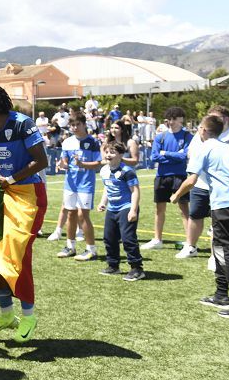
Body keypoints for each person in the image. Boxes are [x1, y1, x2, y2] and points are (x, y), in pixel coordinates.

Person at [0, 85, 48, 343]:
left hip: (29, 195)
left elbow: (41, 161)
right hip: (0, 195)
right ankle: (6, 315)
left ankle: (28, 316)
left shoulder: (22, 124)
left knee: (19, 255)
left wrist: (12, 178)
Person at [172, 115, 229, 318]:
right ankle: (221, 294)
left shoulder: (203, 148)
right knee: (219, 247)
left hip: (224, 205)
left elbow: (191, 180)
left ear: (203, 130)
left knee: (225, 250)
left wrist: (176, 195)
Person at [178, 105, 229, 259]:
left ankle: (216, 254)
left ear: (226, 119)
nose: (213, 120)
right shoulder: (200, 134)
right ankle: (191, 246)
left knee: (218, 220)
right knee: (195, 215)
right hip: (200, 183)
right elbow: (191, 152)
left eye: (217, 117)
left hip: (220, 185)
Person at [141, 107, 193, 252]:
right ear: (169, 120)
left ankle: (190, 242)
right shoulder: (160, 137)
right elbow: (155, 156)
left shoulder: (187, 136)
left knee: (184, 209)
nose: (178, 122)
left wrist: (165, 153)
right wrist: (174, 155)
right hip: (162, 177)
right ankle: (157, 239)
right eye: (175, 119)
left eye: (180, 119)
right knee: (159, 209)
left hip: (180, 177)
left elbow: (184, 156)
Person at [97, 142, 144, 280]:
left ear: (121, 155)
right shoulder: (104, 170)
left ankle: (137, 268)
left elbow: (135, 191)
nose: (108, 155)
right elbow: (107, 187)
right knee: (109, 238)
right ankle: (113, 266)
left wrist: (133, 210)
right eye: (106, 152)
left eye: (112, 152)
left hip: (126, 207)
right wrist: (103, 202)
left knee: (128, 238)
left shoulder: (127, 171)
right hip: (112, 209)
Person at [57, 113, 99, 261]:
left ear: (83, 124)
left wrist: (83, 165)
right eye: (72, 125)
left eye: (77, 125)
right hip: (70, 184)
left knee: (83, 215)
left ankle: (91, 249)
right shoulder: (67, 142)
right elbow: (65, 161)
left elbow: (98, 163)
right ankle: (70, 246)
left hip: (86, 184)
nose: (74, 128)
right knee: (71, 214)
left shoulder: (92, 142)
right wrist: (62, 164)